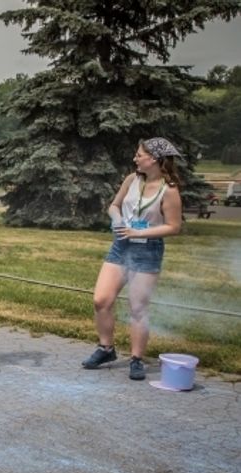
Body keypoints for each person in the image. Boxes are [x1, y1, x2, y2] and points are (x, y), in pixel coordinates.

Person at [83, 137, 184, 380]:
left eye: (140, 155)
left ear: (155, 160)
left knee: (137, 308)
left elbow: (174, 227)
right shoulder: (132, 179)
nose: (135, 158)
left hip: (148, 250)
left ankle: (137, 359)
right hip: (121, 247)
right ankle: (106, 348)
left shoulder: (168, 190)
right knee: (101, 300)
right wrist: (117, 219)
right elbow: (114, 206)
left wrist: (140, 232)